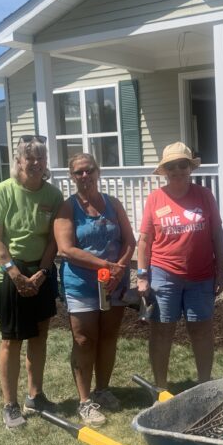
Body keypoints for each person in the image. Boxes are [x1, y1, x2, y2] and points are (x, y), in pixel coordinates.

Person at [0, 136, 63, 429]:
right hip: (7, 274)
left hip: (39, 274)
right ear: (18, 161)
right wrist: (15, 274)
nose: (36, 163)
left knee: (40, 336)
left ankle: (35, 396)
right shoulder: (3, 191)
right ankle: (10, 404)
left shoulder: (53, 196)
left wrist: (41, 274)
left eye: (40, 158)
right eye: (29, 158)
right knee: (12, 339)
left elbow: (54, 239)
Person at [54, 153, 136, 427]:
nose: (85, 176)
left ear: (98, 172)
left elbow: (129, 241)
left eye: (89, 170)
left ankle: (103, 389)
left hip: (114, 284)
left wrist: (120, 268)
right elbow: (66, 249)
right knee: (84, 340)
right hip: (81, 284)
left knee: (109, 337)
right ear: (72, 176)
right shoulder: (68, 208)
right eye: (79, 172)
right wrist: (106, 265)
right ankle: (85, 401)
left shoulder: (113, 204)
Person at [137, 142, 223, 389]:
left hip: (201, 276)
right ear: (164, 170)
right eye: (171, 166)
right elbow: (144, 240)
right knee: (163, 331)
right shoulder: (155, 198)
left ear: (190, 168)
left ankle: (204, 386)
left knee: (201, 331)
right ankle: (161, 389)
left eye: (182, 165)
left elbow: (217, 234)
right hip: (164, 274)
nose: (177, 170)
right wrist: (142, 275)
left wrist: (220, 273)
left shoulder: (204, 195)